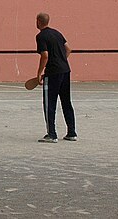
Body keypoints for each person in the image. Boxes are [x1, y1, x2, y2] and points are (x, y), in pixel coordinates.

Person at [34, 12, 76, 143]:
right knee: (66, 102)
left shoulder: (41, 36)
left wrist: (39, 72)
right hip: (65, 71)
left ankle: (51, 134)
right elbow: (68, 49)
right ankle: (72, 133)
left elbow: (45, 55)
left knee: (49, 103)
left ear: (39, 22)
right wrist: (61, 60)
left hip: (52, 74)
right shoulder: (57, 33)